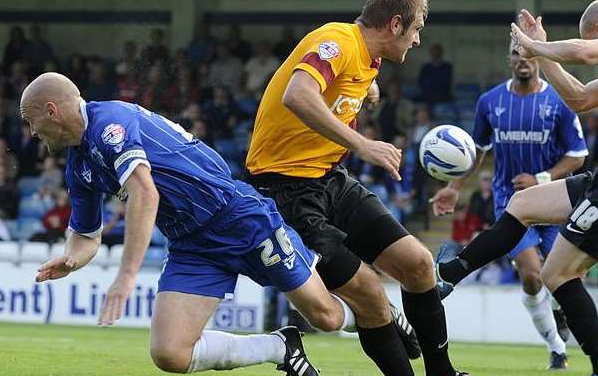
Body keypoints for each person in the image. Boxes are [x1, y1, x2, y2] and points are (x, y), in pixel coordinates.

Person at [24, 72, 359, 375]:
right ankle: (280, 347)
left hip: (239, 218)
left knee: (325, 317)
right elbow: (85, 235)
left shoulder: (110, 123)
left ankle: (381, 317)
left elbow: (145, 193)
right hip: (192, 244)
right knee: (170, 353)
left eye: (31, 120)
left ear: (51, 110)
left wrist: (126, 276)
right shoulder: (78, 166)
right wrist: (72, 259)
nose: (31, 131)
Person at [246, 0, 466, 376]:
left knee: (418, 264)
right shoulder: (337, 39)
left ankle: (442, 372)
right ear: (395, 24)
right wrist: (365, 144)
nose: (417, 40)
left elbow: (347, 84)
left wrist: (369, 90)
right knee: (368, 294)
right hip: (285, 190)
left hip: (331, 179)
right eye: (416, 30)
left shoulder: (368, 60)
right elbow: (297, 94)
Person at [434, 0, 598, 376]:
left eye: (597, 42)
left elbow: (587, 52)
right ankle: (451, 273)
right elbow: (579, 98)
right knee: (522, 205)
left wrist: (535, 46)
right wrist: (546, 53)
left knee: (556, 275)